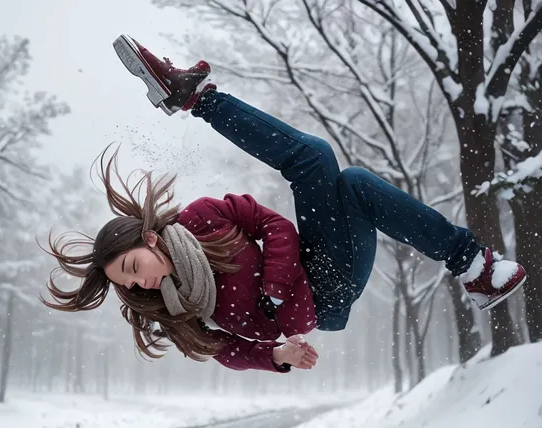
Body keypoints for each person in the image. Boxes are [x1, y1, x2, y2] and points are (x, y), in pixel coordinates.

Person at [42, 35, 526, 374]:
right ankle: (474, 266)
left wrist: (275, 282)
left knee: (335, 169)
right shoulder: (177, 309)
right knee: (331, 166)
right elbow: (226, 352)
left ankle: (196, 98)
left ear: (147, 238)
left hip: (308, 262)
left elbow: (272, 223)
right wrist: (277, 356)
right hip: (325, 295)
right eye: (128, 283)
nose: (140, 281)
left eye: (131, 266)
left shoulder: (201, 217)